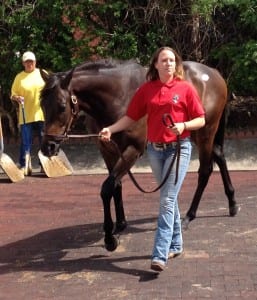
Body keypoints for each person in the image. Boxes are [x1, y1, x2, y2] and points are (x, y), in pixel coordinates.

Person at [99, 46, 205, 272]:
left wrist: (184, 125)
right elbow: (130, 117)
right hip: (155, 151)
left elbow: (201, 119)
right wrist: (110, 128)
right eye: (164, 60)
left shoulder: (185, 89)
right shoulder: (147, 89)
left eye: (172, 60)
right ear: (155, 65)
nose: (168, 64)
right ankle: (176, 243)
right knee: (170, 196)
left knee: (166, 200)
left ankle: (159, 254)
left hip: (179, 148)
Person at [10, 51, 45, 175]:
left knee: (43, 139)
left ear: (35, 62)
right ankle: (24, 164)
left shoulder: (42, 73)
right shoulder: (19, 77)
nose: (29, 63)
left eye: (31, 61)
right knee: (26, 140)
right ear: (23, 63)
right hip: (25, 114)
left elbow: (53, 88)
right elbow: (13, 94)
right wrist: (17, 98)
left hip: (41, 113)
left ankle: (44, 164)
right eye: (27, 61)